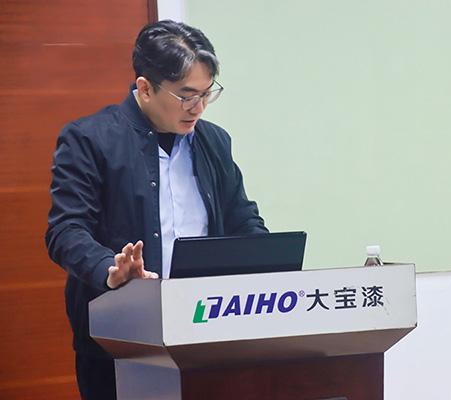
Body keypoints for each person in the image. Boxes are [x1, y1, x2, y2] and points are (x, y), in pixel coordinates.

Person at [45, 20, 268, 400]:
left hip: (205, 331)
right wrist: (110, 270)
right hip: (120, 339)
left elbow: (241, 218)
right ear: (145, 88)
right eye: (186, 96)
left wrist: (267, 260)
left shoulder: (214, 141)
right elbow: (65, 230)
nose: (198, 108)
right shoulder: (90, 139)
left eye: (206, 94)